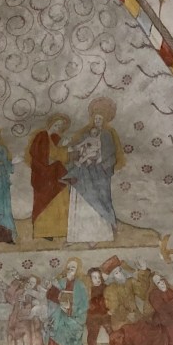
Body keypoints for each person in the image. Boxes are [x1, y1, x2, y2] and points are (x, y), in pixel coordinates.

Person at [64, 97, 124, 244]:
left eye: (100, 119)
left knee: (100, 199)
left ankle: (99, 235)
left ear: (104, 120)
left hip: (99, 173)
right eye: (96, 118)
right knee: (81, 198)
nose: (97, 121)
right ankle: (77, 236)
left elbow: (111, 154)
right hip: (84, 171)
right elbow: (78, 147)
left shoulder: (107, 135)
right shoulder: (86, 133)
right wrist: (74, 152)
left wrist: (99, 161)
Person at [43, 258, 88, 345]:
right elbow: (51, 297)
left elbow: (84, 306)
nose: (70, 270)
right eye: (69, 267)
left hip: (72, 322)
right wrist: (50, 290)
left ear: (78, 270)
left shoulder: (80, 286)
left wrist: (70, 309)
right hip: (58, 320)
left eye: (73, 267)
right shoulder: (60, 282)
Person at [27, 115, 71, 239]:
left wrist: (65, 148)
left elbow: (58, 156)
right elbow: (35, 153)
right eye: (56, 124)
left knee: (62, 194)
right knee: (43, 201)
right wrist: (48, 163)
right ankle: (43, 231)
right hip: (42, 174)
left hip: (52, 173)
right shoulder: (42, 135)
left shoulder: (55, 139)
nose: (57, 127)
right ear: (51, 124)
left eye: (60, 126)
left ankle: (58, 230)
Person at [4, 274, 43, 345]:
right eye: (29, 282)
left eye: (33, 283)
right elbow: (11, 300)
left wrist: (28, 303)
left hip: (30, 317)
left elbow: (38, 304)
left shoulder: (35, 294)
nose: (30, 284)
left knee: (31, 329)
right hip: (18, 315)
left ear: (36, 285)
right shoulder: (20, 292)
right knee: (15, 330)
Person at [85, 267, 112, 345]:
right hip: (93, 317)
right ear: (90, 279)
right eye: (94, 277)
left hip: (104, 315)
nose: (98, 279)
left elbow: (111, 300)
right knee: (92, 338)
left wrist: (110, 308)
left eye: (99, 277)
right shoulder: (88, 290)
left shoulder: (106, 288)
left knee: (112, 333)